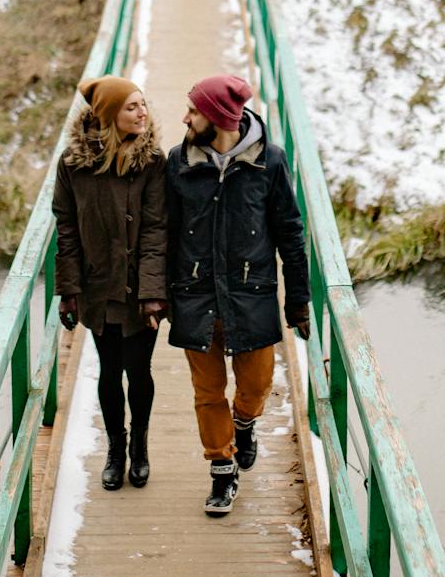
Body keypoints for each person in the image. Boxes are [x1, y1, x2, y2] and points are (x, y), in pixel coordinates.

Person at [164, 73, 311, 517]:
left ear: (218, 118)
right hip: (195, 294)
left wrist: (298, 300)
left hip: (252, 293)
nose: (185, 117)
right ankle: (222, 472)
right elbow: (163, 233)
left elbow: (290, 232)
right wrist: (155, 295)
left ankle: (245, 423)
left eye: (193, 110)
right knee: (207, 392)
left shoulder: (271, 161)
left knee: (256, 385)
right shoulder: (178, 162)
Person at [54, 76, 169, 491]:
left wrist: (154, 293)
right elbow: (65, 227)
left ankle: (139, 446)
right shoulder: (72, 164)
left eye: (143, 104)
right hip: (97, 286)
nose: (142, 113)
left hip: (140, 289)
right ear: (108, 115)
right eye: (131, 107)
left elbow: (157, 228)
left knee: (138, 371)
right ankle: (115, 449)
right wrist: (68, 289)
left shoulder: (153, 161)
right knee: (108, 369)